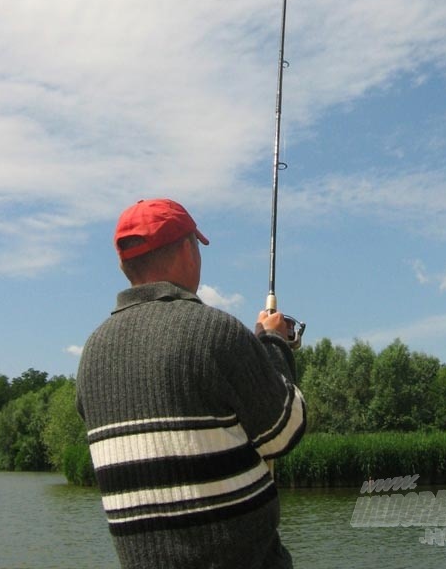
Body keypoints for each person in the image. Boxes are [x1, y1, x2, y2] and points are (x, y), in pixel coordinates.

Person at [76, 198, 306, 569]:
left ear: (124, 263)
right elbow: (285, 429)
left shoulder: (93, 353)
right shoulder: (214, 331)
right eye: (196, 246)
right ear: (187, 249)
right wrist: (273, 343)